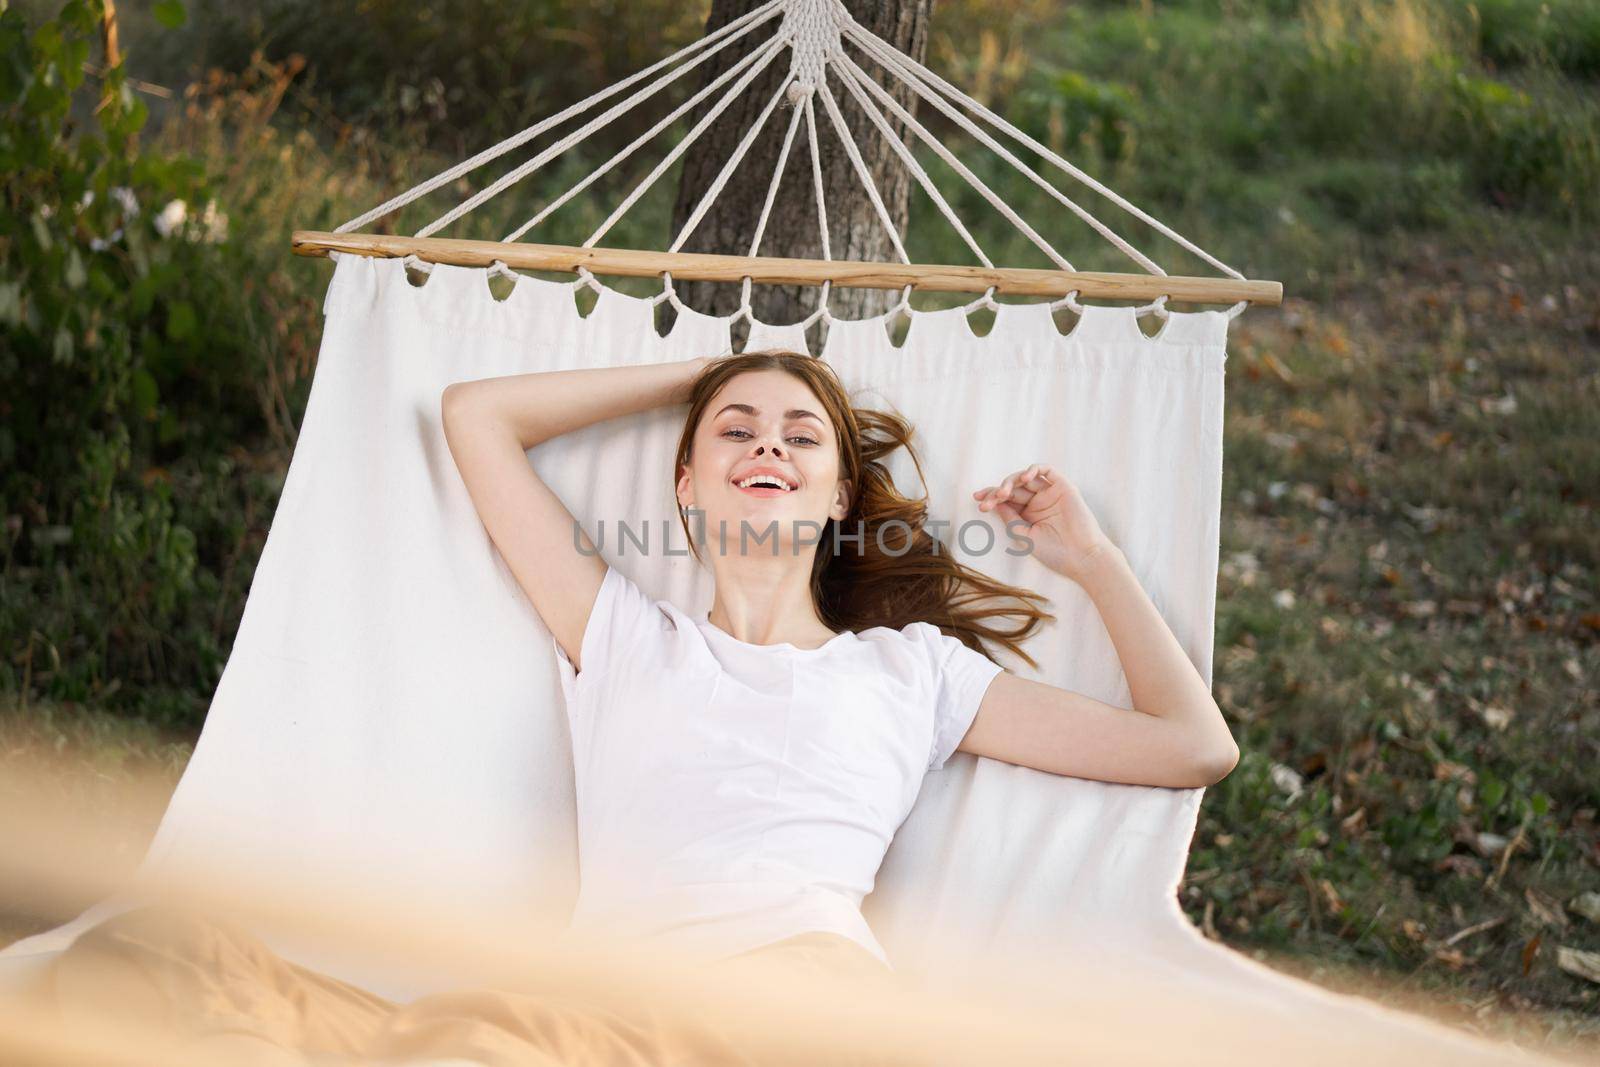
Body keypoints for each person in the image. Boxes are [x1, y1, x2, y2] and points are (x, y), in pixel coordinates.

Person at [36, 348, 1238, 1064]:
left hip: (791, 1008)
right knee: (151, 952)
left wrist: (1088, 558)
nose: (767, 442)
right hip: (589, 1011)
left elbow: (1191, 746)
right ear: (684, 480)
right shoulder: (622, 634)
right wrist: (706, 366)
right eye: (736, 429)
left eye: (801, 435)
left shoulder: (910, 670)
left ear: (835, 495)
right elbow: (475, 415)